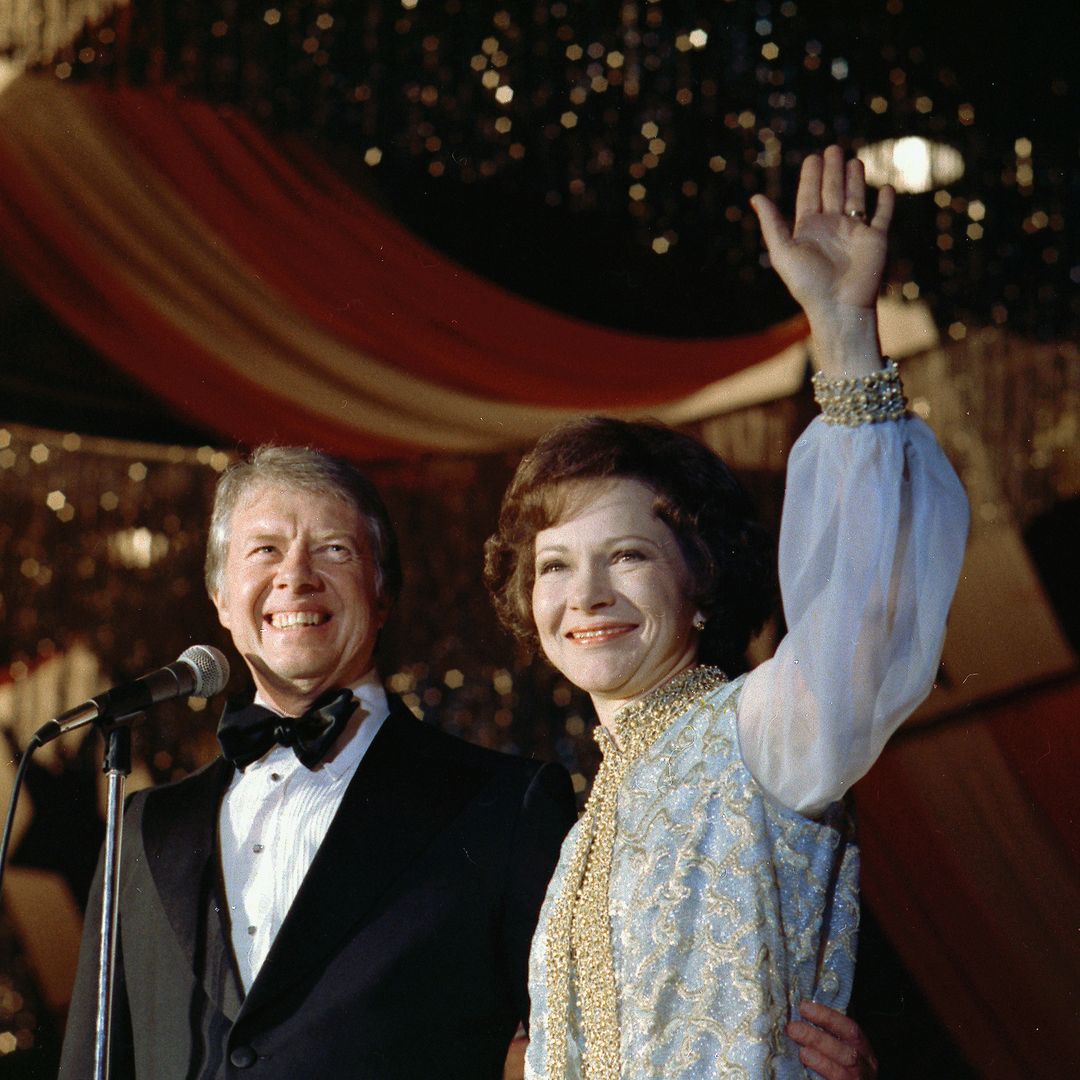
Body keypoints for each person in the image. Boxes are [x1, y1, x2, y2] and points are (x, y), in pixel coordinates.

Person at [483, 145, 969, 1079]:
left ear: (699, 576)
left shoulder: (759, 731)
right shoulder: (586, 829)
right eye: (554, 565)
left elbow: (859, 607)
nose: (584, 597)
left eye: (626, 556)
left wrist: (843, 331)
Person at [59, 447, 579, 1079]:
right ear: (221, 597)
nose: (296, 576)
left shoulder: (505, 807)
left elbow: (580, 1049)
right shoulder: (145, 826)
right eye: (265, 550)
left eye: (335, 549)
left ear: (382, 593)